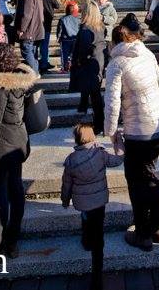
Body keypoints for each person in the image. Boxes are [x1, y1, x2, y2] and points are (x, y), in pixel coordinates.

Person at [104, 14, 159, 251]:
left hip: (140, 130)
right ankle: (158, 225)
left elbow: (112, 103)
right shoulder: (146, 53)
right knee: (149, 174)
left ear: (114, 42)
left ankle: (143, 232)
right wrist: (152, 107)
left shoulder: (116, 64)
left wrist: (111, 132)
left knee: (135, 180)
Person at [0, 43, 38, 258]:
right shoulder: (21, 81)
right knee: (15, 189)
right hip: (19, 139)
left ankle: (4, 240)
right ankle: (13, 236)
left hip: (2, 143)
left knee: (0, 191)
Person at [61, 123, 124, 290]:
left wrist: (65, 200)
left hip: (83, 203)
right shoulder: (100, 154)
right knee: (98, 228)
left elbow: (66, 184)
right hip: (99, 201)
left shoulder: (71, 160)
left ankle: (86, 239)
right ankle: (97, 274)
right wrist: (119, 143)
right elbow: (117, 160)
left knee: (86, 218)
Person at [70, 3, 107, 132]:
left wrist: (79, 60)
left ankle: (99, 124)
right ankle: (86, 110)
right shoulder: (100, 27)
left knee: (95, 95)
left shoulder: (86, 29)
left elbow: (84, 49)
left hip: (89, 63)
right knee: (94, 92)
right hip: (99, 61)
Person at [14, 0, 45, 75]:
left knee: (26, 51)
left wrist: (22, 29)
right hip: (36, 29)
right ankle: (35, 71)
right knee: (32, 52)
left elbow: (27, 14)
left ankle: (35, 73)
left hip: (29, 30)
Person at [35, 0, 60, 74]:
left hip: (37, 24)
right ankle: (44, 63)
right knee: (44, 45)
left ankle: (38, 63)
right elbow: (57, 5)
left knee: (36, 45)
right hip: (47, 23)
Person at [57, 1, 81, 73]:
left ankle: (64, 68)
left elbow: (59, 30)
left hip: (65, 39)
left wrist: (58, 37)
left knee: (64, 55)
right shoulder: (78, 19)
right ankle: (74, 66)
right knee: (74, 54)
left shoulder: (62, 19)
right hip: (75, 39)